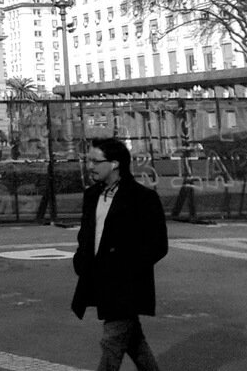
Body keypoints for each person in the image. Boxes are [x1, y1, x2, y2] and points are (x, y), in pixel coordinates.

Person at [72, 137, 168, 370]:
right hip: (99, 278)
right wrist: (81, 260)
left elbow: (158, 245)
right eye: (89, 161)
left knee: (112, 342)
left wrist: (128, 269)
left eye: (96, 161)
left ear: (114, 164)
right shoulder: (92, 195)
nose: (90, 166)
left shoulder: (142, 198)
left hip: (127, 283)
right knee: (133, 339)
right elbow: (87, 234)